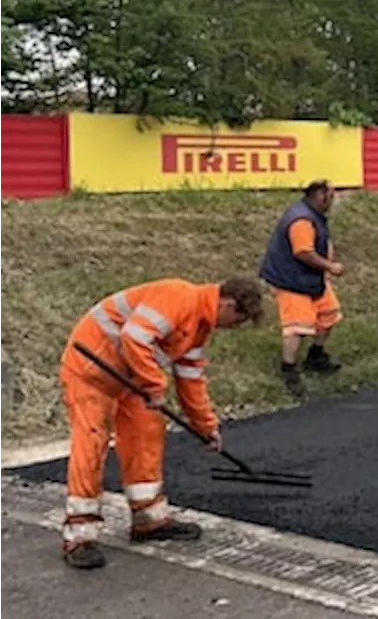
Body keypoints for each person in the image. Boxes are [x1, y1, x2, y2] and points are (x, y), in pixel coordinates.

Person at [58, 276, 264, 569]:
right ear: (228, 304)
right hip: (90, 371)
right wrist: (155, 386)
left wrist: (206, 426)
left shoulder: (199, 327)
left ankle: (148, 519)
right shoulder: (179, 297)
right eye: (238, 320)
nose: (235, 327)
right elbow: (134, 337)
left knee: (147, 434)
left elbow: (191, 380)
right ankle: (79, 534)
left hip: (130, 378)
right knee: (92, 443)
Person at [259, 179, 345, 397]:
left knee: (329, 315)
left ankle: (316, 356)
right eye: (331, 196)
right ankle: (289, 370)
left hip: (311, 278)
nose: (333, 201)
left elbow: (322, 241)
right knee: (296, 327)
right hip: (291, 280)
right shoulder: (301, 220)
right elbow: (303, 252)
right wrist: (330, 266)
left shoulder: (312, 214)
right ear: (320, 195)